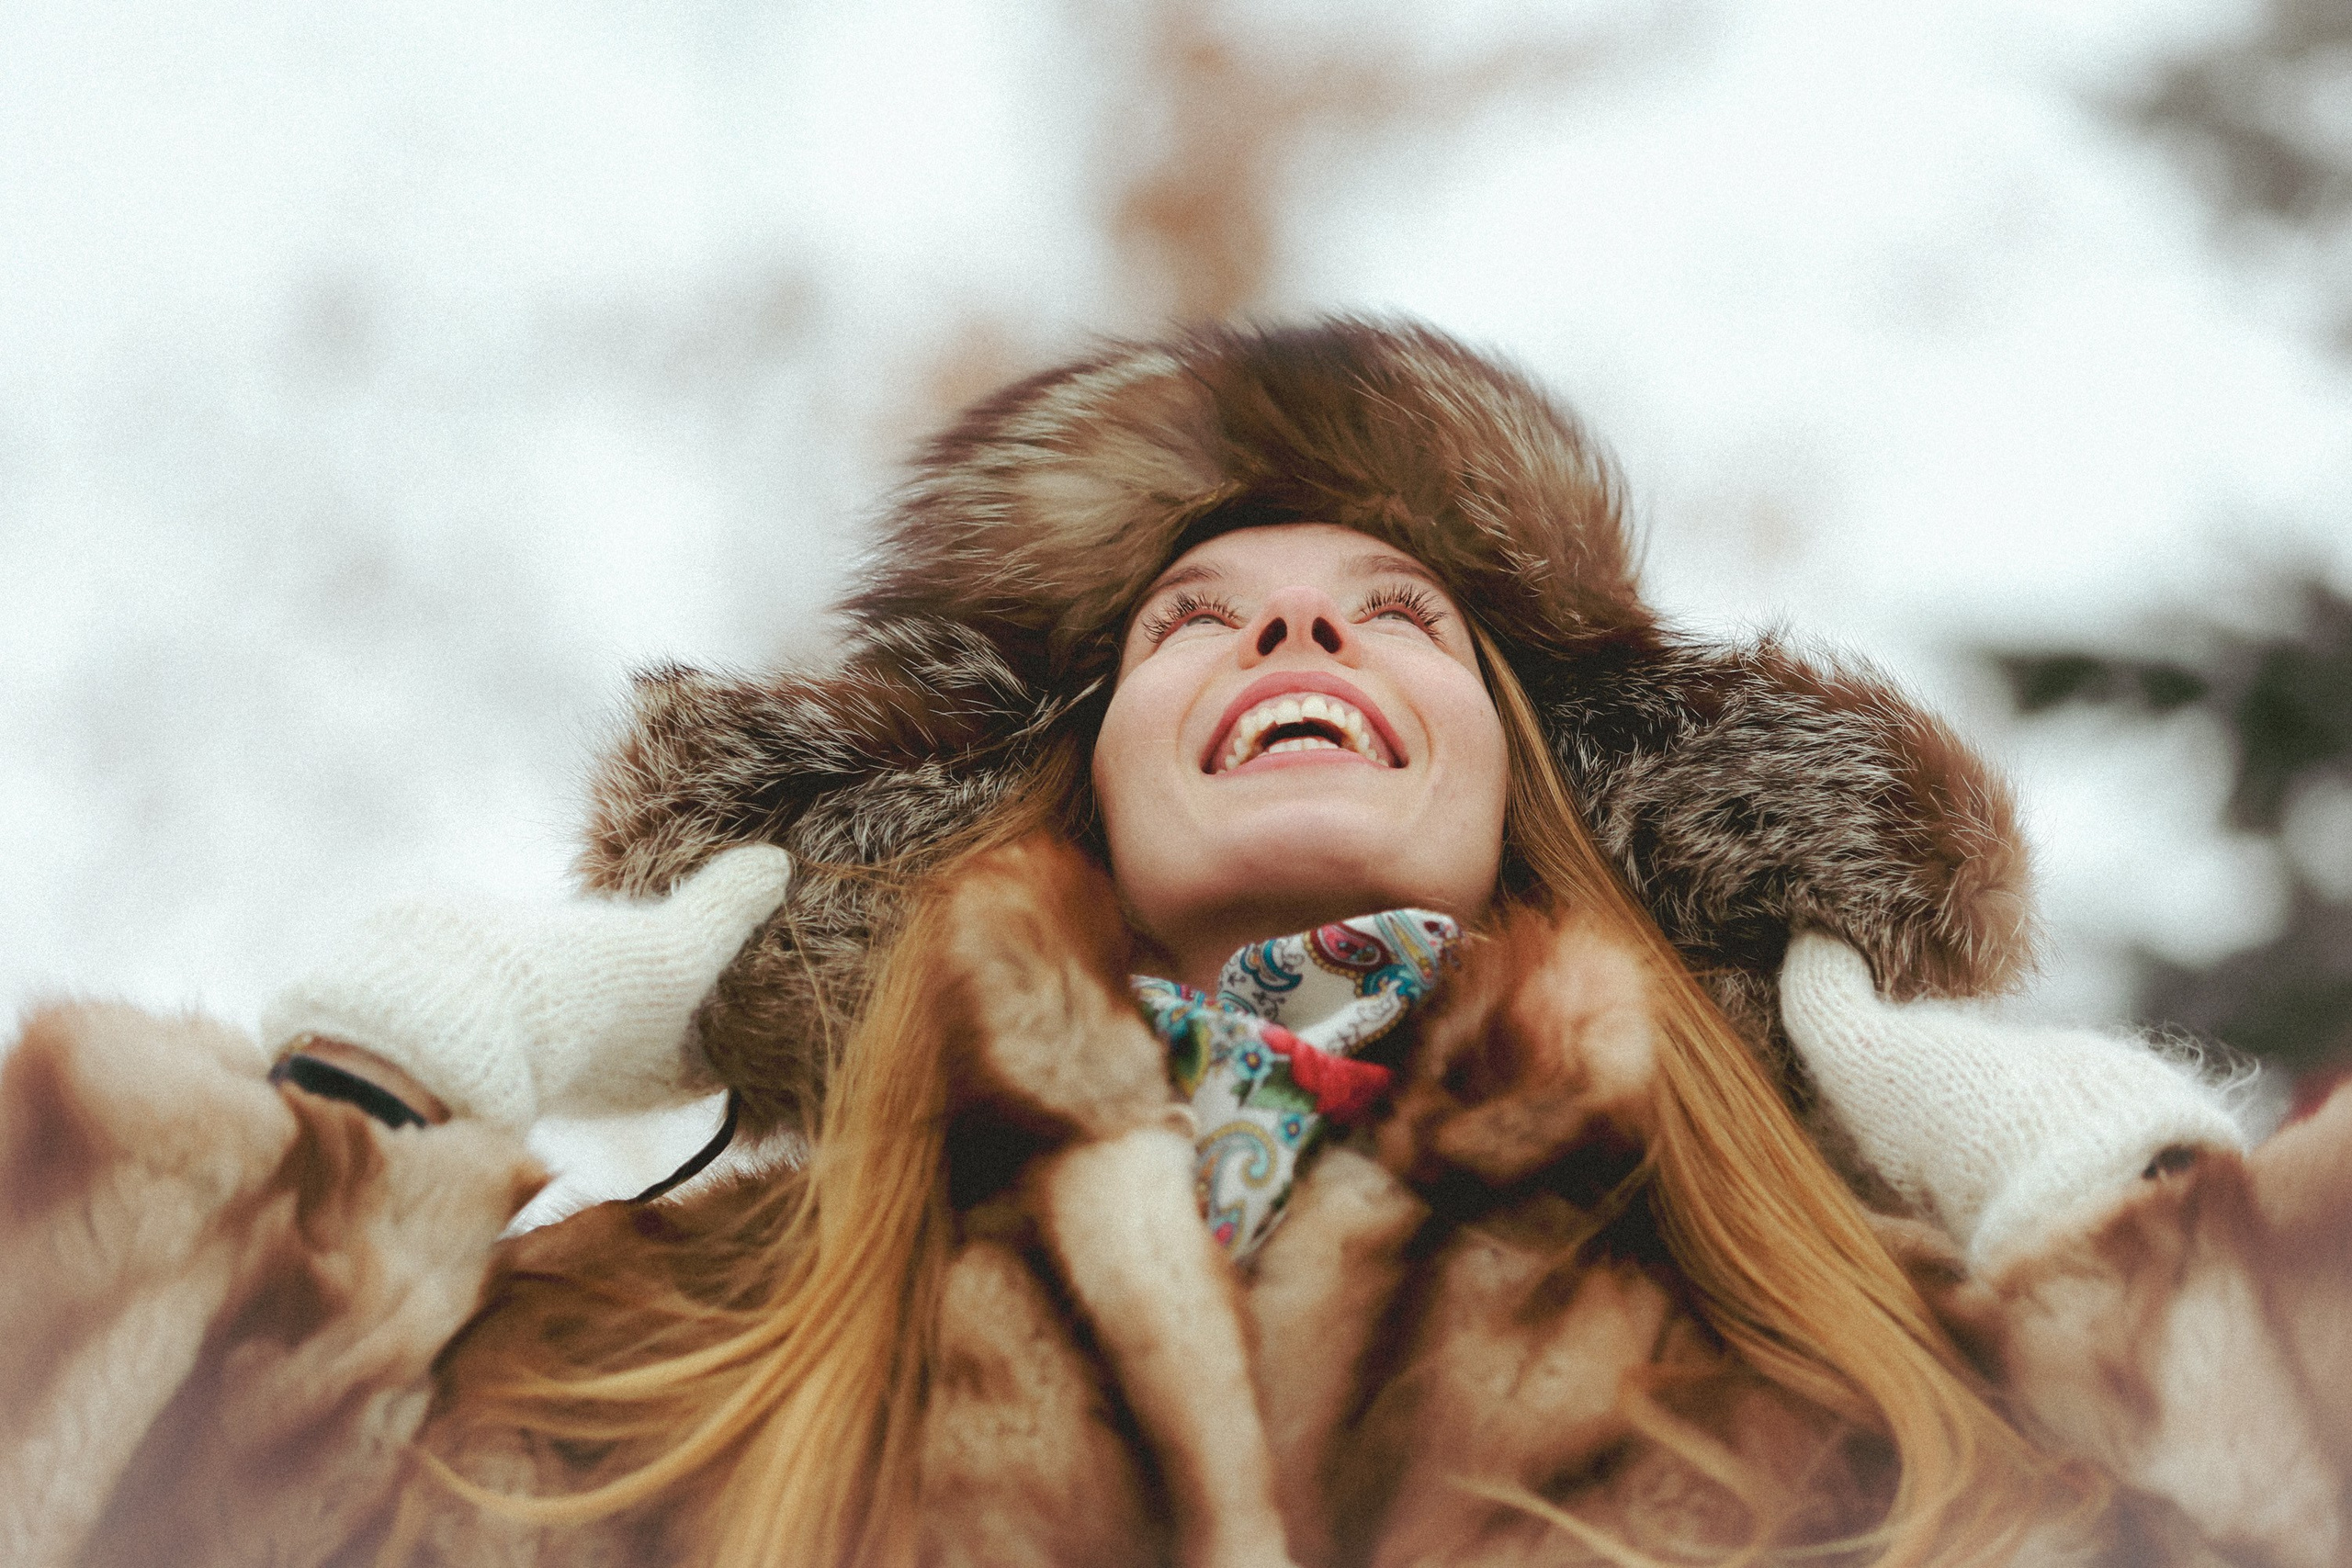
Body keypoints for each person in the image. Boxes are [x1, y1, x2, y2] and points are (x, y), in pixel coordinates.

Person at [6, 320, 2346, 1568]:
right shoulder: (645, 1361)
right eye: (1186, 621)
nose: (1295, 615)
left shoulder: (1896, 1388)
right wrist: (392, 1083)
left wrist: (2134, 1227)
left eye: (1394, 608)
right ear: (1074, 780)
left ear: (1540, 790)